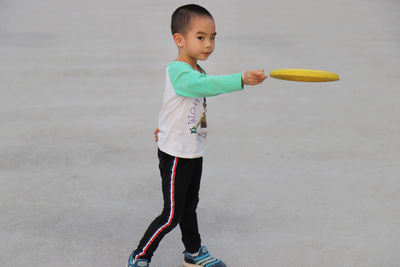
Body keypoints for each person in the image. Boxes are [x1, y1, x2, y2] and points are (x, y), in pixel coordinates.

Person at [127, 4, 267, 267]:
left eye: (213, 37)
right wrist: (241, 79)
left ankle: (193, 253)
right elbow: (201, 87)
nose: (208, 44)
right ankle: (140, 255)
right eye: (201, 37)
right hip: (177, 154)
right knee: (171, 215)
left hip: (192, 151)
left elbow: (175, 105)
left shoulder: (197, 71)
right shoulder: (179, 71)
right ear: (179, 40)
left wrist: (163, 125)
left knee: (189, 206)